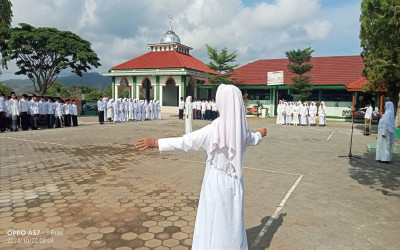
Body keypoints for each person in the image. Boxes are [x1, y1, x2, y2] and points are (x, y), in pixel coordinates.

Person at [135, 84, 267, 250]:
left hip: (215, 182)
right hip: (234, 183)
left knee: (212, 222)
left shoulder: (213, 130)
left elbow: (185, 142)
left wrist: (156, 143)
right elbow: (253, 138)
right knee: (231, 223)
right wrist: (261, 133)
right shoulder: (242, 129)